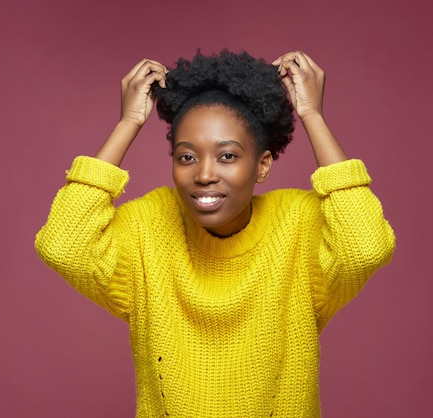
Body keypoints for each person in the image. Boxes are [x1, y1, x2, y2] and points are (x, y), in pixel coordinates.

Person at [35, 49, 395, 417]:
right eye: (186, 157)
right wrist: (128, 121)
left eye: (227, 156)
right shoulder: (150, 224)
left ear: (263, 164)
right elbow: (64, 245)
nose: (204, 174)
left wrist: (312, 115)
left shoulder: (297, 224)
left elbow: (364, 247)